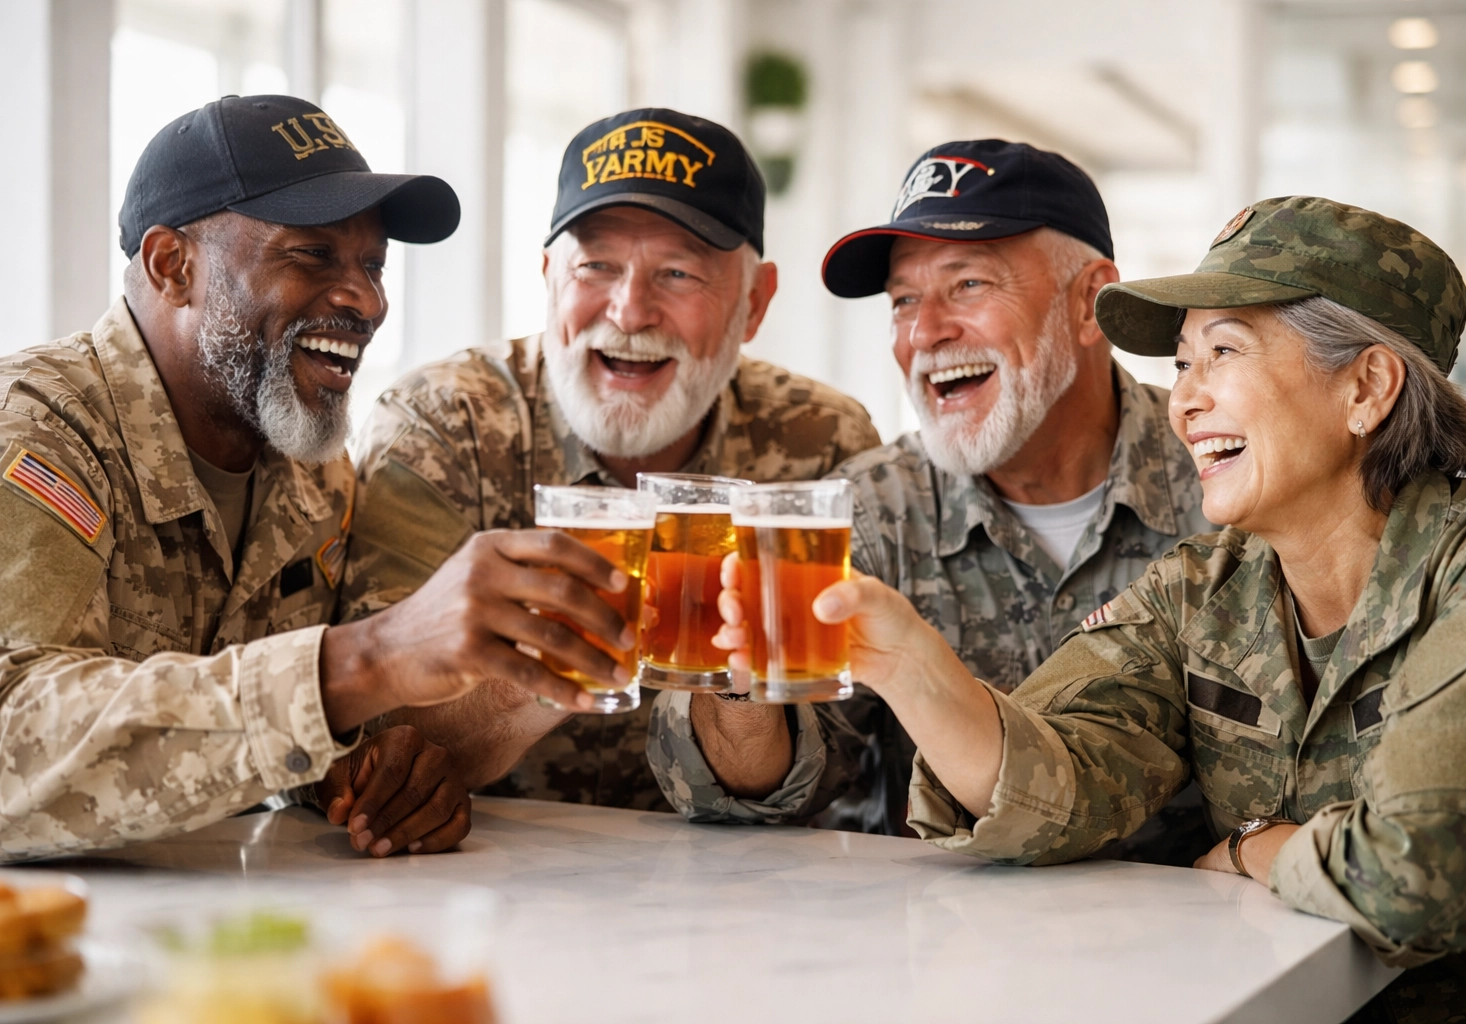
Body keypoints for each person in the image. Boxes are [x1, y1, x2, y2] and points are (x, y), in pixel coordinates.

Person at [713, 195, 1466, 1019]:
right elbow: (1057, 780)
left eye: (1223, 352)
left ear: (1366, 386)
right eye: (1183, 365)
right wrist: (911, 667)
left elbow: (1426, 878)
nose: (1184, 401)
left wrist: (1254, 849)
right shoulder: (1201, 588)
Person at [0, 95, 634, 863]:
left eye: (372, 264)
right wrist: (364, 661)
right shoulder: (37, 431)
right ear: (174, 266)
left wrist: (368, 770)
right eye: (313, 255)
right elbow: (12, 737)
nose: (367, 299)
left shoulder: (310, 464)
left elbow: (288, 730)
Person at [648, 140, 1211, 855]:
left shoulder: (1221, 478)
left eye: (968, 285)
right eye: (903, 300)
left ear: (1089, 302)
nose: (924, 332)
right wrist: (740, 688)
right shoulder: (863, 509)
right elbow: (750, 799)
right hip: (932, 942)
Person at [339, 108, 880, 810]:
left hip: (733, 892)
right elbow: (384, 744)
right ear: (548, 277)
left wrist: (739, 684)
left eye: (679, 273)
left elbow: (832, 768)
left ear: (754, 303)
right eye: (596, 266)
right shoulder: (445, 422)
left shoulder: (820, 440)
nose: (628, 312)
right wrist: (566, 649)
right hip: (483, 874)